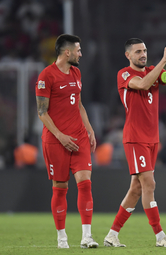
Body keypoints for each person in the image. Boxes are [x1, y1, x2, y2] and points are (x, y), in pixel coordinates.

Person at [104, 38, 166, 248]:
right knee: (149, 184)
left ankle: (112, 235)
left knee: (137, 188)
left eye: (144, 50)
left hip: (153, 139)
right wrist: (164, 60)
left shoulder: (154, 72)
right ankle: (160, 237)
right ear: (128, 55)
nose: (143, 54)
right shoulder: (125, 74)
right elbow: (143, 84)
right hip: (135, 138)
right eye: (138, 52)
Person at [35, 34, 98, 249]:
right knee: (60, 187)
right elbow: (42, 112)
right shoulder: (46, 76)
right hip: (55, 141)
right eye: (78, 50)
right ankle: (62, 238)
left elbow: (79, 105)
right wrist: (60, 136)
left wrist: (89, 129)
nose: (81, 54)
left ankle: (86, 237)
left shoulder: (76, 73)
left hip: (79, 137)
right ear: (67, 52)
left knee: (86, 184)